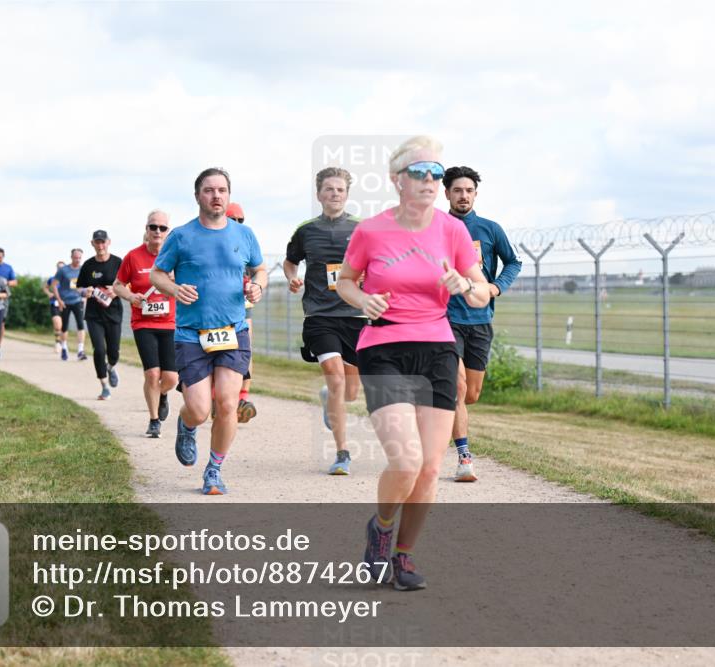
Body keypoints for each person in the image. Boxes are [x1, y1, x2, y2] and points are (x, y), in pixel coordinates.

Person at [335, 136, 490, 591]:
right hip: (383, 348)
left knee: (428, 468)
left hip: (438, 348)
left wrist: (464, 284)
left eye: (436, 174)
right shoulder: (370, 230)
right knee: (405, 460)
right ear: (397, 179)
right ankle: (381, 529)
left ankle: (403, 557)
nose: (430, 181)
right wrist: (363, 298)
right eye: (420, 172)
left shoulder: (453, 231)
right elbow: (345, 282)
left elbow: (482, 292)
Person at [151, 167, 267, 495]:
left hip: (233, 329)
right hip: (191, 333)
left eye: (221, 190)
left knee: (228, 404)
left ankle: (214, 469)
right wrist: (174, 289)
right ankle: (187, 424)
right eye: (209, 190)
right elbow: (158, 274)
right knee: (200, 409)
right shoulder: (181, 236)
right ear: (197, 196)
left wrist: (257, 285)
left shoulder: (244, 235)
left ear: (228, 195)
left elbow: (258, 268)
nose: (216, 196)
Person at [443, 166, 522, 482]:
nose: (463, 196)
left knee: (471, 394)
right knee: (457, 387)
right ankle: (464, 458)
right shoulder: (435, 228)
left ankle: (432, 406)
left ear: (475, 194)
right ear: (446, 193)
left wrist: (496, 286)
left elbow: (513, 262)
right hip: (444, 318)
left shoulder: (490, 229)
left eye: (469, 191)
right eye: (457, 190)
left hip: (479, 319)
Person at [284, 167, 364, 475]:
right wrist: (293, 279)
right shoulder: (306, 230)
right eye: (329, 189)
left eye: (340, 190)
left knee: (351, 392)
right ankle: (342, 453)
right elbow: (291, 261)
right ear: (319, 194)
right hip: (319, 315)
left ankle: (329, 399)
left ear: (347, 194)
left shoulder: (362, 228)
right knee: (335, 377)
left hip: (355, 316)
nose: (334, 194)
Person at [114, 210, 178, 437]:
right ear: (146, 229)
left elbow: (189, 284)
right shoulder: (133, 257)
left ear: (168, 231)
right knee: (152, 373)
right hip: (143, 323)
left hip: (170, 323)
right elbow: (118, 285)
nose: (157, 231)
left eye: (162, 228)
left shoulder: (175, 257)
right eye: (153, 227)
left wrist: (176, 281)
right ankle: (153, 421)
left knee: (171, 377)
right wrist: (131, 297)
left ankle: (161, 394)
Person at [78, 230, 123, 400]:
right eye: (97, 242)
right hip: (94, 314)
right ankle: (104, 386)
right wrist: (85, 291)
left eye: (103, 242)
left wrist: (116, 291)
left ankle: (111, 367)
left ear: (109, 242)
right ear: (92, 244)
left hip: (113, 313)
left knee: (114, 351)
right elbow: (79, 288)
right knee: (99, 350)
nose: (100, 245)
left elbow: (131, 285)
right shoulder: (88, 265)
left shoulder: (118, 262)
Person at [225, 202, 258, 423]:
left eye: (240, 220)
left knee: (246, 351)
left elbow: (259, 270)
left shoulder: (247, 241)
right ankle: (219, 397)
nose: (237, 224)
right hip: (218, 310)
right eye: (232, 219)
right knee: (219, 351)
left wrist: (255, 285)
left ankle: (242, 398)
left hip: (243, 308)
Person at [52, 249, 87, 362]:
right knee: (64, 326)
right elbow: (54, 285)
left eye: (79, 258)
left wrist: (85, 296)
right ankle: (64, 348)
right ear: (71, 257)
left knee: (81, 325)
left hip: (78, 301)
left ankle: (80, 351)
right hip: (65, 302)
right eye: (75, 257)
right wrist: (59, 300)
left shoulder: (83, 269)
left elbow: (87, 285)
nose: (77, 260)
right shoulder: (63, 270)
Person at [0, 248, 18, 357]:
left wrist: (5, 282)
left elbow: (15, 282)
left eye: (0, 257)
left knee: (1, 323)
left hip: (3, 298)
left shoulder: (8, 268)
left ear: (3, 257)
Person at [43, 261, 65, 355]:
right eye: (58, 267)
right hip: (54, 304)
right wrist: (49, 294)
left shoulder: (67, 279)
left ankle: (63, 344)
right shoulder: (52, 279)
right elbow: (45, 287)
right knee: (57, 325)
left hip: (65, 304)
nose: (60, 269)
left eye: (62, 268)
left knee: (64, 326)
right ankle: (58, 343)